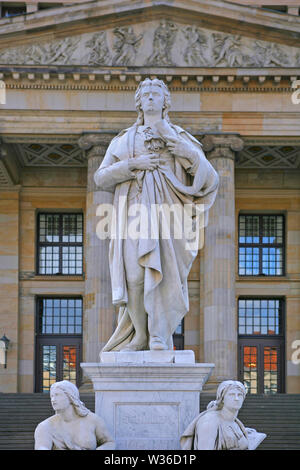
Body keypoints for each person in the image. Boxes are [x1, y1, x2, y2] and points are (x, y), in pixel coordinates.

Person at [94, 77, 219, 352]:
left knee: (165, 278)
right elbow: (100, 178)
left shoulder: (180, 137)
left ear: (165, 101)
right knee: (134, 277)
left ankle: (159, 336)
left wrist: (189, 155)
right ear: (139, 102)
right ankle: (140, 335)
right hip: (134, 214)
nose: (151, 97)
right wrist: (132, 164)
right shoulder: (123, 140)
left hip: (168, 216)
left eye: (156, 93)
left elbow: (211, 179)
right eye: (146, 93)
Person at [180, 380, 266, 450]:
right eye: (231, 395)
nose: (236, 398)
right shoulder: (209, 421)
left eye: (240, 395)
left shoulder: (236, 423)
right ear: (222, 398)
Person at [34, 380, 115, 450]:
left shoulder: (93, 420)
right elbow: (42, 447)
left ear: (70, 397)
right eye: (51, 396)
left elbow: (110, 443)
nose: (53, 400)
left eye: (57, 395)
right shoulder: (45, 426)